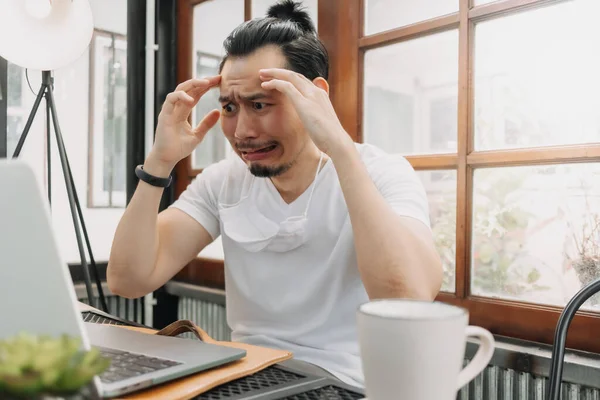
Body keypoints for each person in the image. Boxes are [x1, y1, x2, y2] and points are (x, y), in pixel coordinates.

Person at [107, 0, 442, 388]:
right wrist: (159, 162)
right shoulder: (224, 181)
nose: (243, 131)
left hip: (348, 386)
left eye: (261, 104)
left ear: (313, 96)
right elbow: (128, 280)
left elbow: (409, 300)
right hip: (247, 379)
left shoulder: (383, 172)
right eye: (230, 107)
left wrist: (340, 149)